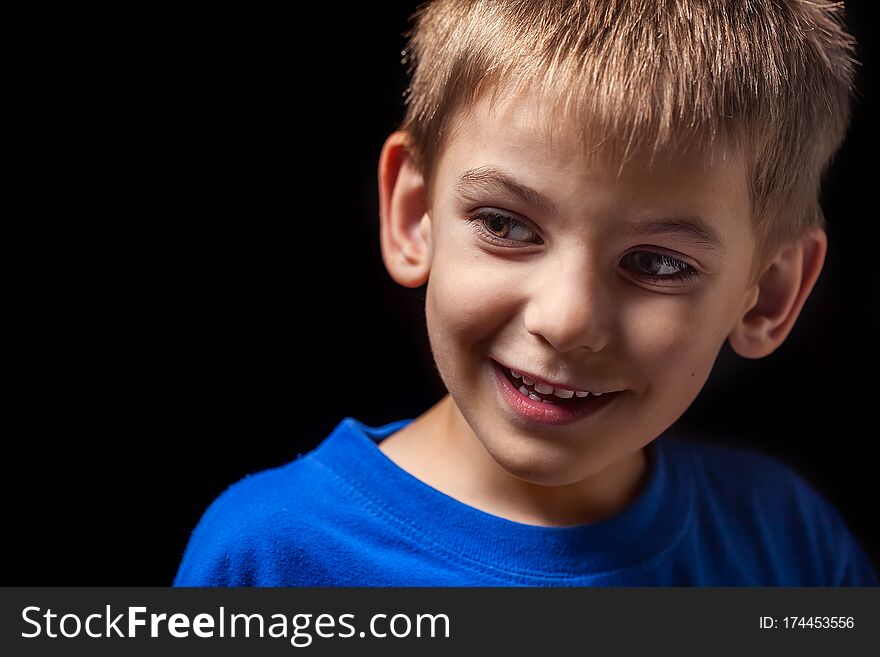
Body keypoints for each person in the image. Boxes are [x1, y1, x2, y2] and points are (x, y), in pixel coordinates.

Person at [173, 0, 878, 586]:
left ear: (767, 296)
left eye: (658, 264)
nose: (566, 321)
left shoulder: (791, 547)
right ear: (414, 215)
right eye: (506, 224)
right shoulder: (269, 558)